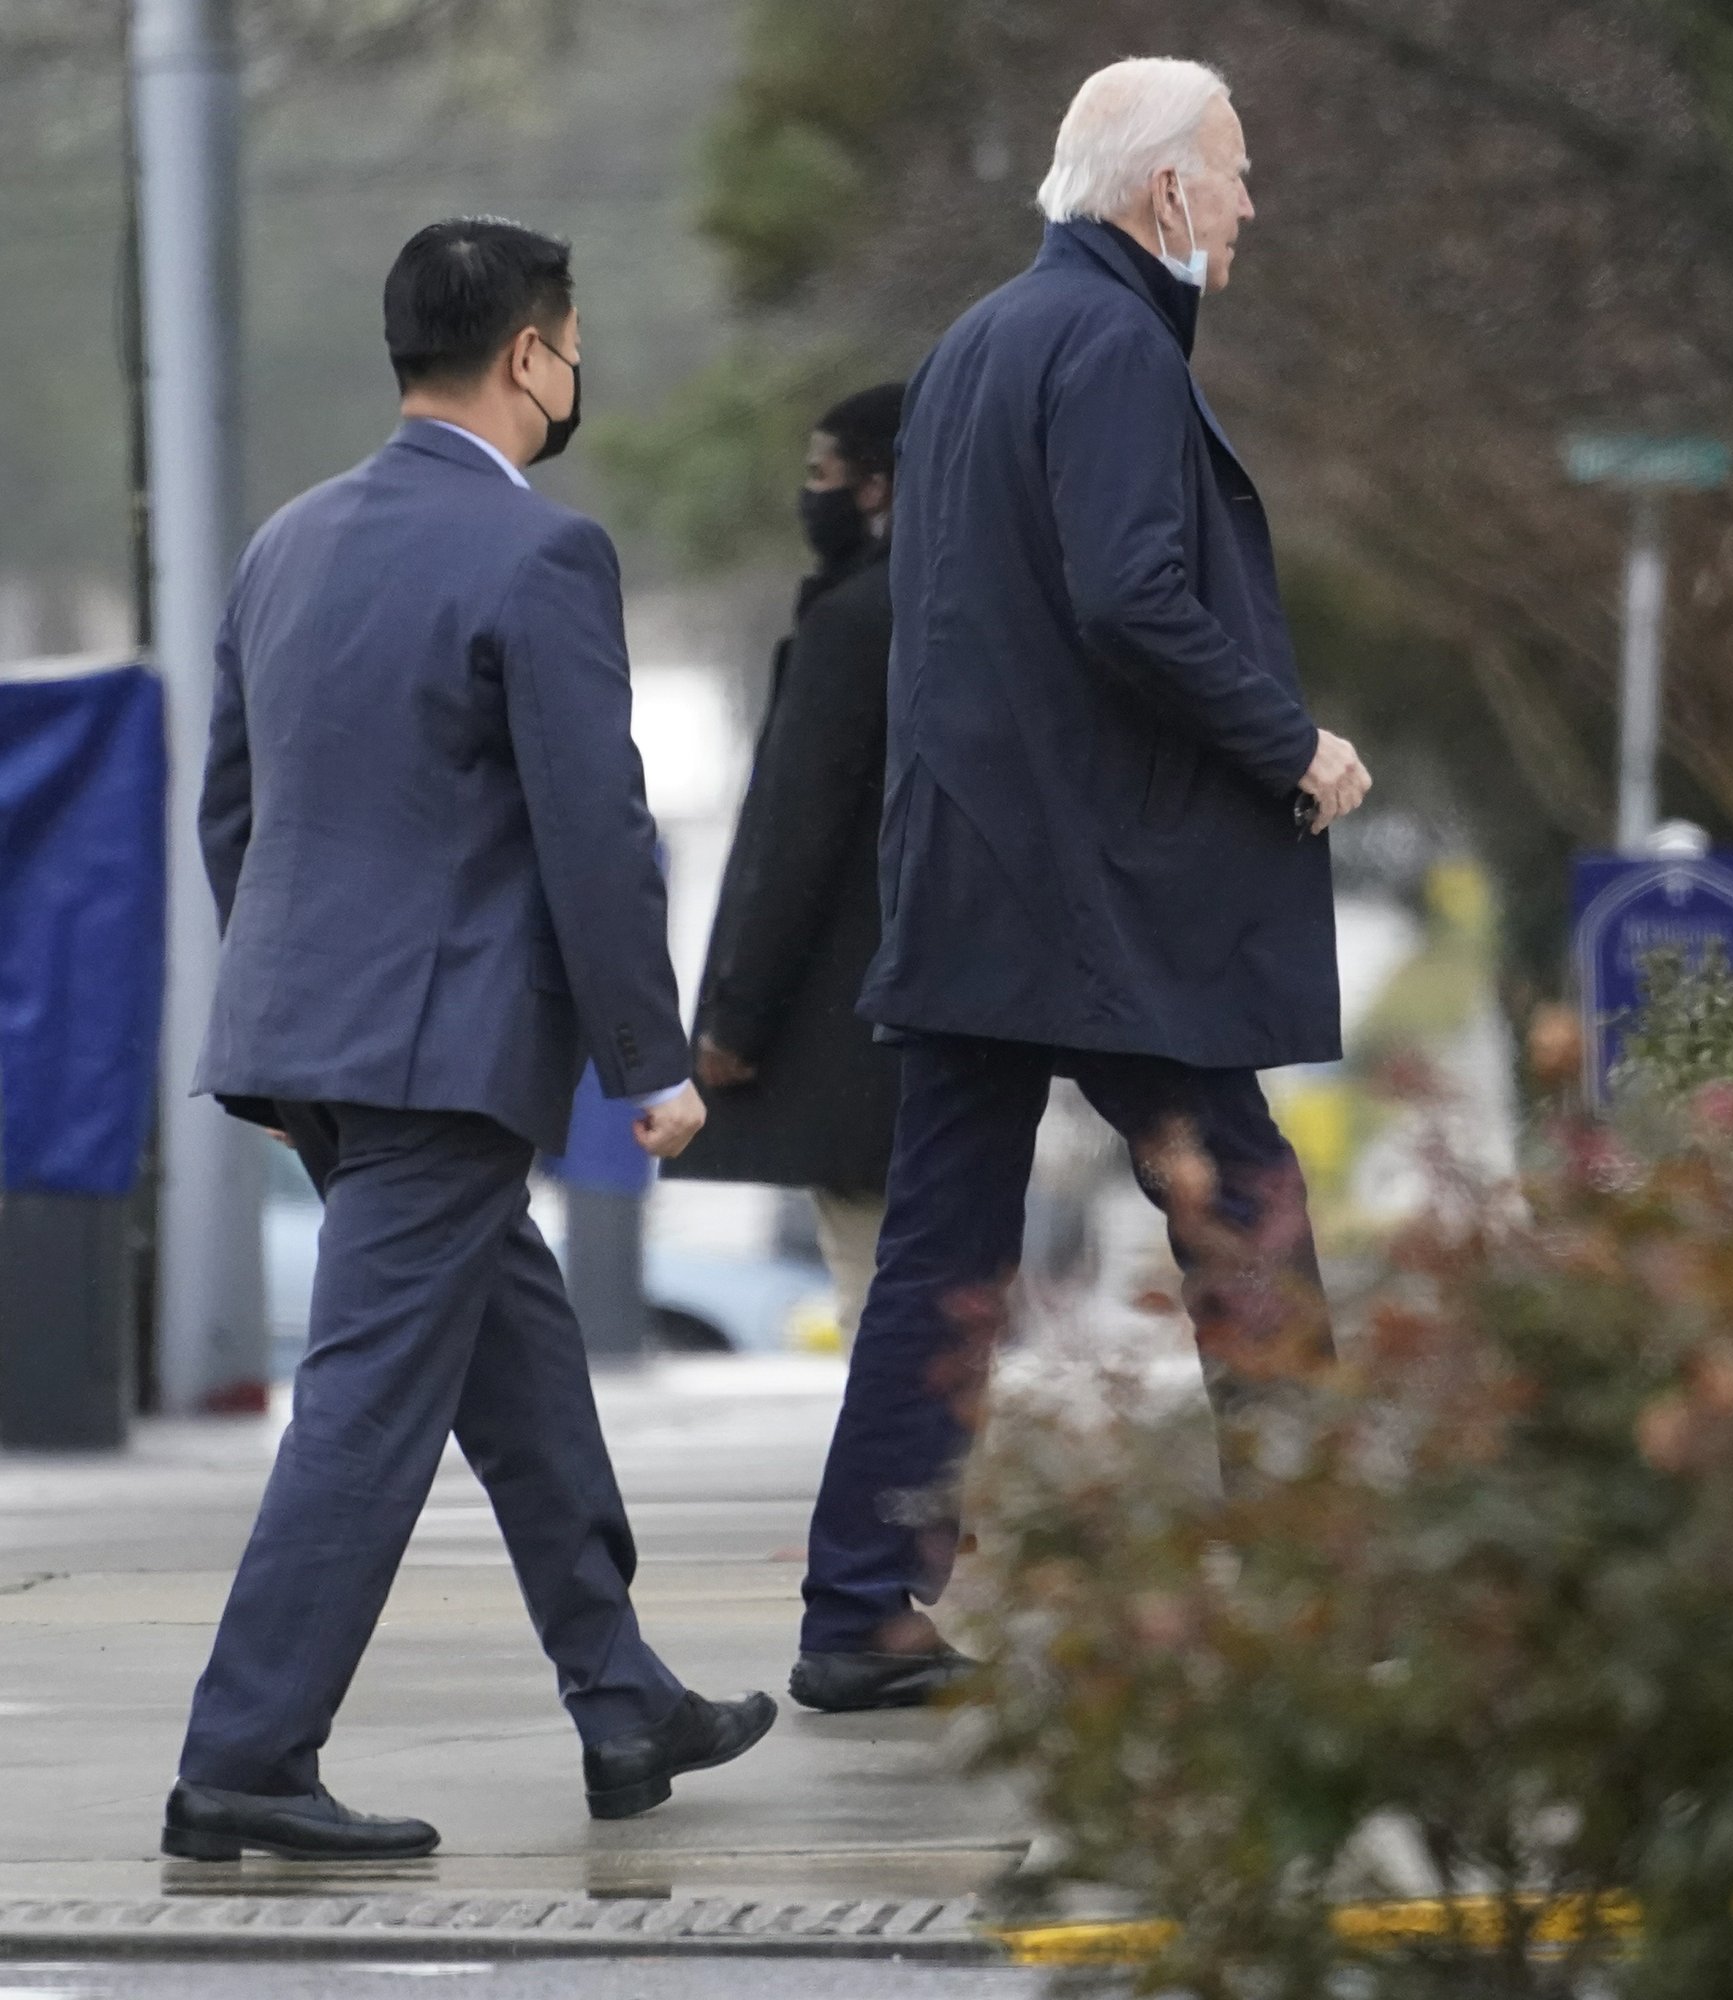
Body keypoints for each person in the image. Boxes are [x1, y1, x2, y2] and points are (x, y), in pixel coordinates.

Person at [168, 218, 774, 1861]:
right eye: (571, 346)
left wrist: (300, 1022)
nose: (574, 374)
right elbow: (597, 827)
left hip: (322, 1040)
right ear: (530, 357)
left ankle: (621, 1696)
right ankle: (245, 1755)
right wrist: (651, 1063)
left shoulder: (285, 542)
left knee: (518, 1369)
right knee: (368, 1402)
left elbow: (238, 810)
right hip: (438, 1054)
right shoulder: (542, 557)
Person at [789, 58, 1372, 1714]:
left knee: (943, 1248)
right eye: (1237, 172)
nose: (1251, 205)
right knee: (1245, 1201)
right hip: (1091, 887)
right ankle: (1317, 1578)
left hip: (977, 868)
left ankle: (859, 1611)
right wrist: (1291, 743)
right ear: (1166, 191)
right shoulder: (1112, 344)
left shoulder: (979, 342)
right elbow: (1132, 603)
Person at [665, 384, 909, 1339]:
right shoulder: (986, 607)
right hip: (965, 1027)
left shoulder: (852, 626)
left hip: (850, 1039)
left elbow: (793, 838)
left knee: (881, 1300)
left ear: (879, 486)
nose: (810, 497)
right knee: (949, 1298)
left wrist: (735, 1019)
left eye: (823, 476)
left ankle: (909, 1494)